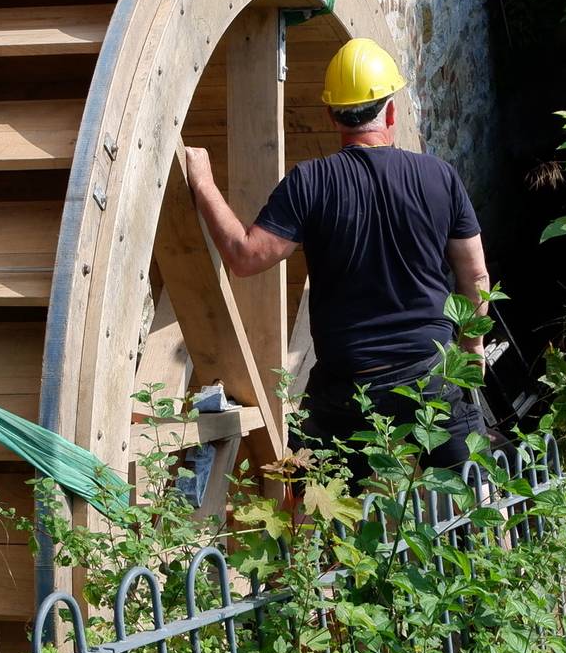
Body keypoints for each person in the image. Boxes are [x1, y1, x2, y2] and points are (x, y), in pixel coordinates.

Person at [181, 38, 491, 475]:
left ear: (331, 115)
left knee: (316, 504)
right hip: (431, 372)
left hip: (348, 386)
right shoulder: (440, 176)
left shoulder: (311, 182)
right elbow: (474, 274)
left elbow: (246, 257)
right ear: (391, 110)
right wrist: (473, 349)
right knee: (467, 497)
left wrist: (204, 184)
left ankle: (314, 534)